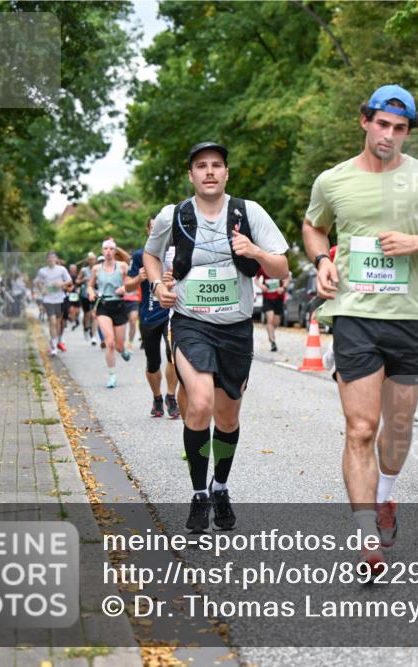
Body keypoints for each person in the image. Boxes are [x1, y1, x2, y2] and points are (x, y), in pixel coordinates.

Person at [302, 85, 418, 573]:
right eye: (382, 124)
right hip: (354, 317)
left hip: (410, 319)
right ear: (365, 121)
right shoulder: (333, 180)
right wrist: (320, 260)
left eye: (400, 128)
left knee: (395, 430)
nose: (389, 135)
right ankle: (366, 536)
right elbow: (314, 226)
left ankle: (386, 494)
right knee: (361, 427)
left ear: (407, 131)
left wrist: (417, 241)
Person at [145, 141, 288, 533]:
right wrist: (158, 285)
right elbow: (150, 255)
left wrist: (255, 250)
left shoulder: (249, 212)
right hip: (191, 323)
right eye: (201, 166)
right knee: (200, 403)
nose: (209, 171)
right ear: (191, 175)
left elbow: (282, 269)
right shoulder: (172, 215)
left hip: (236, 328)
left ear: (226, 173)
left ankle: (220, 486)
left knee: (227, 418)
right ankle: (198, 493)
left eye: (217, 165)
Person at [126, 216, 181, 419]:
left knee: (173, 357)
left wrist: (174, 278)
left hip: (171, 312)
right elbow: (128, 286)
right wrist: (139, 278)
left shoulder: (177, 252)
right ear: (148, 231)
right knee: (152, 362)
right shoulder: (141, 255)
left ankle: (170, 397)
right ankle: (157, 397)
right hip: (149, 314)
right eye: (154, 227)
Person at [88, 238, 132, 387]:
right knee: (110, 342)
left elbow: (130, 284)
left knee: (119, 346)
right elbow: (89, 286)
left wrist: (124, 289)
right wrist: (90, 293)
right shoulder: (96, 269)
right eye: (105, 249)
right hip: (103, 306)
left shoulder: (123, 266)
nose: (108, 251)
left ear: (115, 251)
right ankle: (112, 375)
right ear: (102, 251)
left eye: (111, 249)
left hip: (119, 306)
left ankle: (123, 350)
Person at [34, 251, 73, 355]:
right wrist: (42, 290)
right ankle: (54, 346)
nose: (51, 259)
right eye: (49, 258)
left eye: (53, 257)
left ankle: (56, 340)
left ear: (56, 259)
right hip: (48, 299)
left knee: (58, 323)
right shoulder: (42, 271)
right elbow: (38, 282)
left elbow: (69, 281)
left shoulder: (62, 270)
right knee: (52, 321)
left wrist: (61, 283)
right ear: (47, 259)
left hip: (60, 299)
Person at [256, 266, 288, 351]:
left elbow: (287, 276)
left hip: (278, 297)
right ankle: (272, 341)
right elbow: (256, 279)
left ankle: (271, 332)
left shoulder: (278, 263)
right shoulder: (262, 267)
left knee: (277, 320)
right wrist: (261, 285)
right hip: (267, 298)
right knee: (270, 319)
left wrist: (283, 287)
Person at [78, 253, 99, 345]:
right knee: (87, 314)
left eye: (93, 259)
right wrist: (84, 280)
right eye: (90, 259)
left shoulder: (99, 269)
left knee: (94, 314)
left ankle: (94, 336)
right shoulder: (84, 270)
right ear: (87, 260)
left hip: (95, 294)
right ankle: (86, 329)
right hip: (85, 295)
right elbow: (77, 281)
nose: (92, 261)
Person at [65, 263, 82, 333]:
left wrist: (79, 289)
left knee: (78, 311)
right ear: (69, 269)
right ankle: (71, 319)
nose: (73, 270)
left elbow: (81, 284)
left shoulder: (78, 276)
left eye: (74, 268)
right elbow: (65, 285)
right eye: (71, 269)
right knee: (71, 311)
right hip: (69, 295)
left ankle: (76, 320)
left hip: (76, 296)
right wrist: (69, 289)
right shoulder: (67, 276)